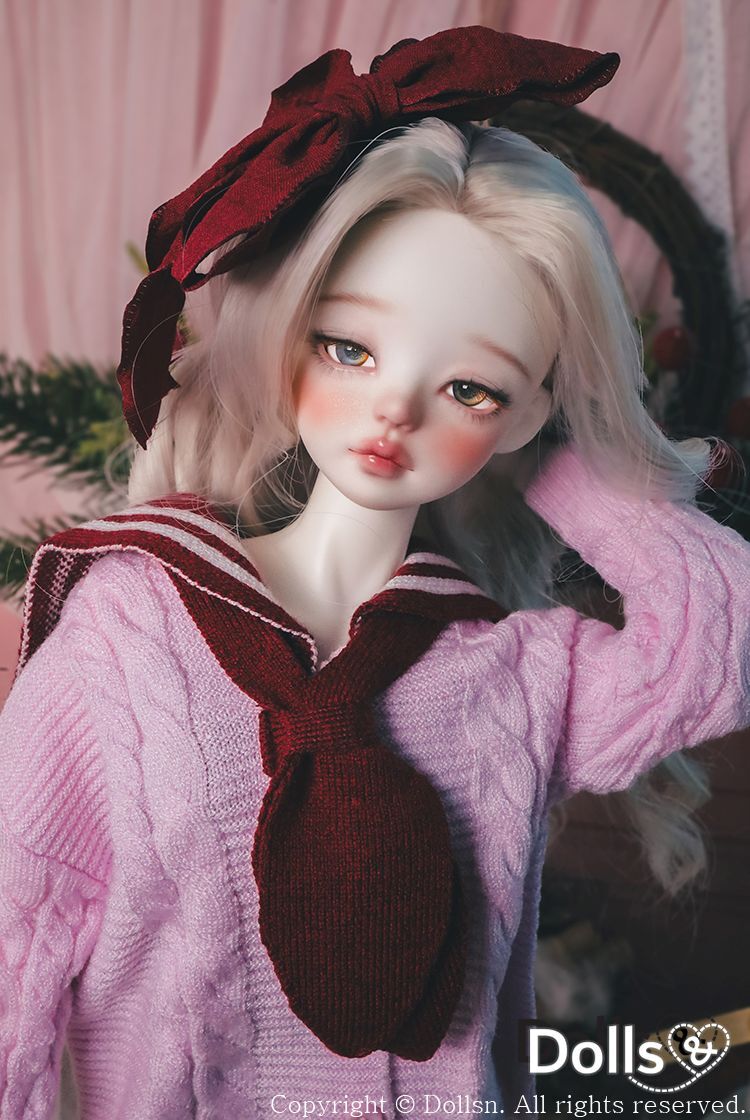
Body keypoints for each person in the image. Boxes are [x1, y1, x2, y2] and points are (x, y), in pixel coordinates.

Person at [1, 26, 749, 1120]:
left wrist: (574, 462)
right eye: (349, 347)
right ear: (290, 332)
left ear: (524, 414)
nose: (394, 409)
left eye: (472, 389)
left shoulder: (506, 672)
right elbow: (15, 944)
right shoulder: (127, 637)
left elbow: (710, 651)